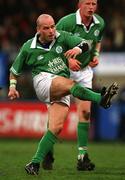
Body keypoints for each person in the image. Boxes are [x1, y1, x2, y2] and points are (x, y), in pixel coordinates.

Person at [8, 14, 118, 176]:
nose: (52, 30)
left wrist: (78, 49)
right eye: (47, 28)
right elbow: (14, 70)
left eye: (53, 26)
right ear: (38, 30)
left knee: (56, 127)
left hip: (60, 84)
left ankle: (34, 163)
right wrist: (12, 87)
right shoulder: (28, 47)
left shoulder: (62, 36)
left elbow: (85, 44)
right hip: (43, 82)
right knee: (71, 85)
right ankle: (101, 99)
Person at [42, 0, 106, 171]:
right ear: (80, 4)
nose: (91, 7)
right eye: (87, 3)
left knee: (85, 112)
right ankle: (48, 150)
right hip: (62, 71)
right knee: (57, 120)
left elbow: (97, 41)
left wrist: (95, 55)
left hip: (84, 72)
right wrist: (68, 60)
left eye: (94, 3)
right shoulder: (66, 22)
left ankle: (82, 158)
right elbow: (52, 47)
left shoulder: (100, 22)